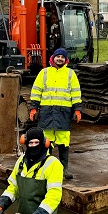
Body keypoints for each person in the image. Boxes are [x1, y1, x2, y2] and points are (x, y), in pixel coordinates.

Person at [0, 127, 63, 214]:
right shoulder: (21, 161)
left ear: (44, 143)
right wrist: (1, 205)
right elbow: (13, 188)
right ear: (26, 144)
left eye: (36, 143)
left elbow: (54, 196)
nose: (33, 146)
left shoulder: (53, 164)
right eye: (30, 143)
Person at [29, 47, 81, 179]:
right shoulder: (44, 73)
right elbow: (36, 91)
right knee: (46, 142)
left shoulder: (70, 74)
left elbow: (75, 93)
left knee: (64, 142)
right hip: (47, 113)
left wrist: (77, 109)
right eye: (58, 56)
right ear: (53, 58)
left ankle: (64, 170)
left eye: (62, 57)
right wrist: (33, 108)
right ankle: (47, 169)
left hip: (63, 114)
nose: (60, 59)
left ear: (66, 60)